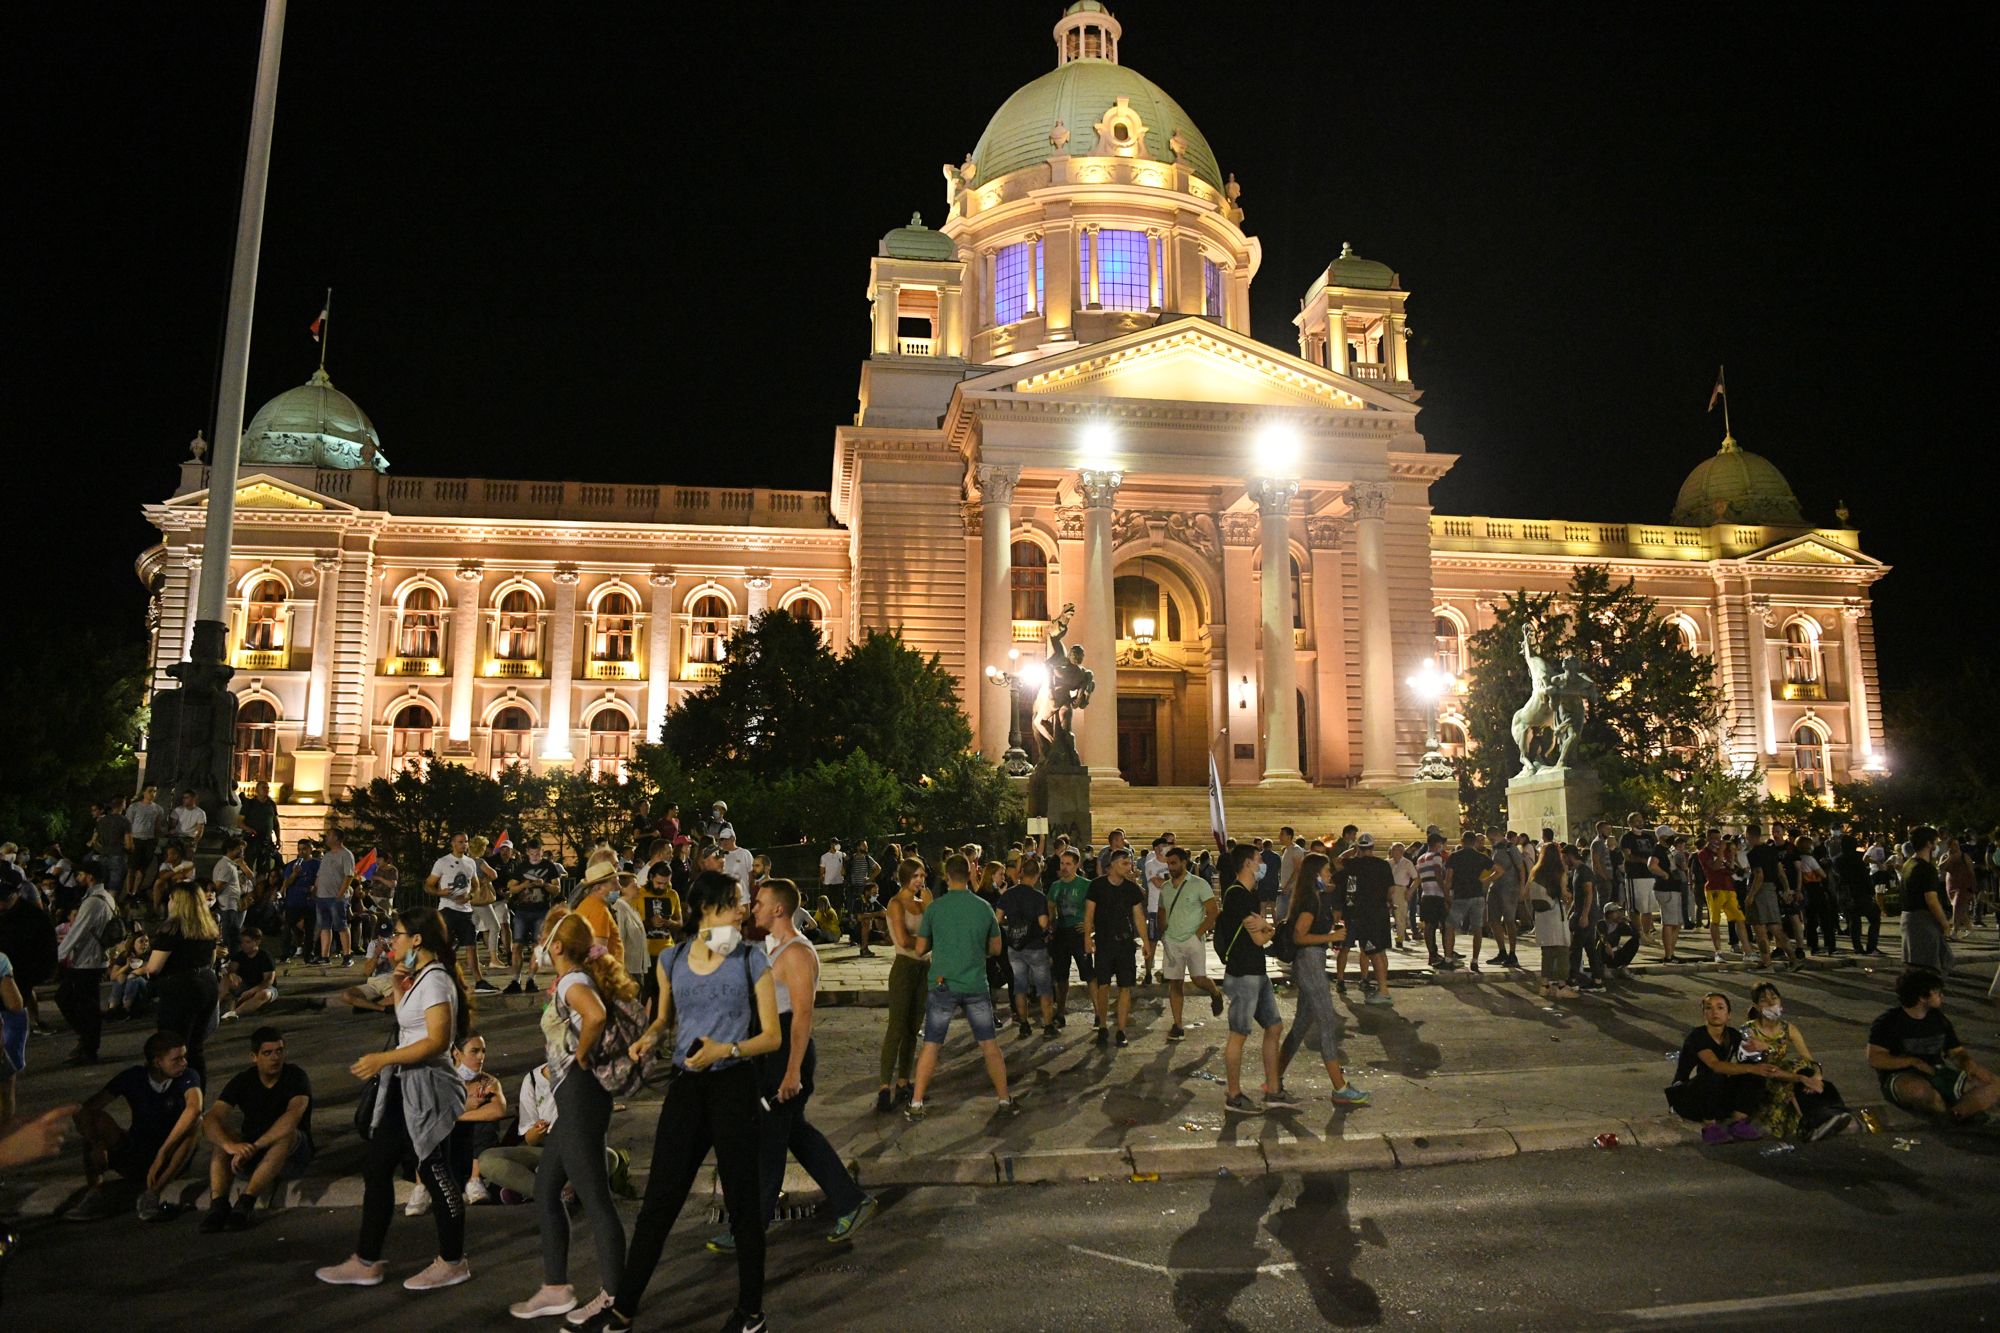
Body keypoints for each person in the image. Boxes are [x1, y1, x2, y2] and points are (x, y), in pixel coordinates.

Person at [610, 870, 782, 1333]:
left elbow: (771, 1036)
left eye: (744, 901)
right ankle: (623, 1309)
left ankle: (750, 1312)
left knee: (743, 1204)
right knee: (659, 1203)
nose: (743, 908)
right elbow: (665, 1018)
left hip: (733, 1085)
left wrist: (726, 1050)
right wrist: (647, 1039)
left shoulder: (750, 958)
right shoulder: (672, 958)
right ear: (707, 907)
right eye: (735, 901)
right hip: (686, 1088)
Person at [709, 880, 877, 1258]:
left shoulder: (798, 953)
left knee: (769, 1141)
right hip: (772, 1050)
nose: (754, 908)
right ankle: (852, 1201)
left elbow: (803, 1016)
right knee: (793, 1133)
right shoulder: (774, 947)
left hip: (787, 1050)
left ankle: (749, 1229)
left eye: (761, 903)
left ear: (779, 910)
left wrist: (793, 1072)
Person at [316, 907, 475, 1292]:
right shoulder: (420, 978)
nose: (393, 941)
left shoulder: (436, 981)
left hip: (427, 1089)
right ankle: (366, 1260)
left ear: (417, 940)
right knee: (378, 1167)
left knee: (436, 1173)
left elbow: (437, 1041)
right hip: (407, 1086)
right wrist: (402, 987)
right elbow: (412, 1023)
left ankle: (453, 1261)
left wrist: (381, 1059)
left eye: (399, 934)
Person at [505, 912, 633, 1324]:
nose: (539, 944)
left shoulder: (574, 981)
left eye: (543, 937)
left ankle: (614, 1299)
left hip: (581, 1098)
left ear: (556, 946)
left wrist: (579, 1059)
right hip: (574, 1101)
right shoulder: (569, 980)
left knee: (596, 1201)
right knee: (545, 1189)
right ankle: (555, 1288)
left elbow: (594, 1015)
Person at [906, 854, 1017, 1119]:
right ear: (970, 875)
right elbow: (996, 948)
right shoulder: (983, 908)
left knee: (932, 1044)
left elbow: (921, 949)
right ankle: (1004, 1099)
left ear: (946, 876)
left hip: (943, 983)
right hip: (975, 983)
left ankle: (917, 1103)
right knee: (989, 1044)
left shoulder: (935, 909)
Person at [69, 1029, 205, 1221]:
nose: (184, 1063)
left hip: (170, 1157)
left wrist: (163, 1152)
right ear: (157, 1062)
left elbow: (194, 1108)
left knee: (197, 1123)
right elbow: (85, 1110)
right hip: (137, 1150)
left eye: (184, 1057)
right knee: (95, 1121)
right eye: (177, 1059)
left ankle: (153, 1193)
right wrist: (97, 1143)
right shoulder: (133, 1077)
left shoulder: (188, 1076)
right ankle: (94, 1193)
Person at [1276, 853, 1370, 1107]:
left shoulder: (1315, 897)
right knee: (1327, 1024)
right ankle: (1339, 1087)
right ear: (1316, 874)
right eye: (1327, 870)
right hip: (1309, 963)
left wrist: (1331, 934)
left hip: (1312, 962)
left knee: (1301, 1025)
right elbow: (1299, 937)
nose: (1330, 874)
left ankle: (1274, 1078)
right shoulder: (1309, 900)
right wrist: (1332, 937)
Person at [199, 1025, 313, 1231]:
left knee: (287, 1134)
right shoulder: (243, 1080)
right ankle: (218, 1205)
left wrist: (256, 1146)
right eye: (267, 1053)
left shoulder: (295, 1076)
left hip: (291, 1156)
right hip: (251, 1156)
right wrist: (231, 1146)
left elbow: (292, 1116)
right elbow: (211, 1119)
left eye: (279, 1051)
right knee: (223, 1139)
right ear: (254, 1057)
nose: (275, 1058)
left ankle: (246, 1202)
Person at [1866, 967, 2000, 1122]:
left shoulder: (1938, 1019)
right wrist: (1913, 1062)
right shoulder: (1889, 1021)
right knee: (1921, 1091)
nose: (1941, 996)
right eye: (1937, 992)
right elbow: (1875, 1058)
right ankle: (1957, 1113)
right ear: (1922, 997)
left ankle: (1956, 1115)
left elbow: (1956, 1052)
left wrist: (1969, 1065)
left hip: (1937, 1072)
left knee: (1994, 1084)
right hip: (1901, 1076)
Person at [1213, 847, 1289, 1114]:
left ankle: (1273, 1088)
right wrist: (1275, 930)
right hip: (1243, 973)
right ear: (1247, 864)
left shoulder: (1248, 895)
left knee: (1274, 1026)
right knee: (1239, 1034)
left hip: (1257, 971)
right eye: (1259, 860)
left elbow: (1260, 929)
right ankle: (1233, 1096)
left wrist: (1265, 928)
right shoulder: (1237, 895)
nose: (1262, 864)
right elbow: (1259, 937)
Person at [1737, 982, 1852, 1140]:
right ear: (1756, 1006)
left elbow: (1809, 1060)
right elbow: (1765, 1069)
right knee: (1797, 1069)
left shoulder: (1788, 1028)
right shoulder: (1748, 1030)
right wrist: (1802, 1078)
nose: (1771, 1003)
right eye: (1764, 1000)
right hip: (1761, 1080)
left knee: (1814, 1076)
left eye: (1774, 998)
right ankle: (1811, 1123)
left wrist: (1815, 1077)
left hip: (1786, 1075)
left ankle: (1835, 1114)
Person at [1664, 993, 1771, 1143]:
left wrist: (1764, 1048)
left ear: (1729, 1015)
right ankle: (1709, 1127)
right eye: (1709, 1008)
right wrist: (1750, 1068)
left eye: (1720, 1008)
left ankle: (1738, 1122)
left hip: (1714, 1096)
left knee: (1755, 1072)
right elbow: (1715, 1065)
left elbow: (1752, 1059)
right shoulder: (1697, 1036)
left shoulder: (1733, 1035)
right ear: (1704, 1014)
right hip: (1688, 1097)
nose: (1715, 1012)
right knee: (1716, 1072)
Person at [143, 883, 222, 1080]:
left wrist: (141, 971)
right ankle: (197, 1096)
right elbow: (211, 960)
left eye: (170, 899)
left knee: (173, 1047)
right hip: (207, 984)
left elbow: (153, 968)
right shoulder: (208, 926)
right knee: (195, 1047)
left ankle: (177, 1097)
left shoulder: (172, 928)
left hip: (181, 989)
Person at [874, 857, 932, 1112]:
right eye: (916, 876)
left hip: (924, 968)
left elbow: (935, 930)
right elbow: (903, 939)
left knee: (913, 1027)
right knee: (896, 1027)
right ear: (905, 877)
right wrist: (927, 940)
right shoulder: (896, 903)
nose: (920, 881)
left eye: (922, 876)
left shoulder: (923, 902)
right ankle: (884, 1087)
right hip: (905, 967)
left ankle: (903, 1081)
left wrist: (930, 910)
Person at [1156, 846, 1223, 1040]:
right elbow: (1161, 909)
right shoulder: (1166, 887)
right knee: (1175, 983)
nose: (1170, 867)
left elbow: (1213, 911)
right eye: (1168, 864)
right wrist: (1163, 930)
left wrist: (1198, 933)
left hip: (1193, 939)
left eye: (1174, 863)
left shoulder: (1199, 884)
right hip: (1172, 941)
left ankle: (1214, 992)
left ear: (1184, 862)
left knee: (1198, 979)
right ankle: (1177, 1025)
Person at [55, 866, 119, 1065]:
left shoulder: (93, 902)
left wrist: (58, 955)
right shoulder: (104, 897)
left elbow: (77, 931)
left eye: (81, 874)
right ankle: (86, 1042)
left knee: (79, 1003)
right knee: (81, 1003)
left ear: (90, 876)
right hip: (93, 959)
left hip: (88, 961)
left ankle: (88, 1045)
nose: (78, 878)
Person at [1084, 848, 1147, 1048]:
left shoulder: (1131, 889)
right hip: (1104, 942)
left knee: (1125, 987)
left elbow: (1138, 916)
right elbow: (1089, 914)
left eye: (1130, 864)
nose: (1129, 868)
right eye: (1125, 863)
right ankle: (1102, 1025)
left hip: (1125, 942)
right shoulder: (1097, 886)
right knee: (1103, 985)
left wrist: (1146, 941)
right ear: (1113, 865)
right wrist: (1087, 937)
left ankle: (1120, 1029)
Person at [427, 832, 500, 996]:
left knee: (471, 946)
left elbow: (475, 885)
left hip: (466, 911)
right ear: (453, 843)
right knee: (444, 947)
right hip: (447, 909)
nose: (464, 845)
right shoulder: (442, 862)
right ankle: (439, 981)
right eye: (460, 842)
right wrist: (440, 892)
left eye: (466, 842)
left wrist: (471, 896)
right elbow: (428, 885)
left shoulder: (470, 863)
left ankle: (479, 981)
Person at [998, 855, 1057, 1038]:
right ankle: (1048, 1026)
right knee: (1044, 988)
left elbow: (998, 919)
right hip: (1035, 946)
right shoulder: (1038, 897)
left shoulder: (1008, 894)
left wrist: (1012, 923)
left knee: (1020, 986)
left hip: (1015, 947)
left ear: (1021, 873)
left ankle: (1024, 1024)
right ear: (1037, 875)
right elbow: (1042, 923)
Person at [1341, 834, 1396, 1005]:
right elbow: (1391, 889)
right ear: (1373, 847)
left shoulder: (1354, 864)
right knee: (1381, 950)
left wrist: (1352, 851)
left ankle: (1384, 991)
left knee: (1373, 952)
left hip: (1365, 914)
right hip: (1380, 912)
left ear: (1359, 848)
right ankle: (1383, 987)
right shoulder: (1383, 865)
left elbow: (1338, 860)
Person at [502, 840, 562, 992]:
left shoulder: (549, 867)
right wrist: (524, 885)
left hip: (541, 911)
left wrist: (544, 885)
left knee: (537, 947)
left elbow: (557, 890)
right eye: (532, 853)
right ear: (527, 852)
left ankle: (530, 980)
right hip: (522, 911)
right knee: (517, 946)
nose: (535, 856)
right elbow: (512, 888)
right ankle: (515, 980)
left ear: (542, 852)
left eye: (538, 853)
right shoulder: (521, 867)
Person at [1046, 848, 1093, 1028]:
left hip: (1078, 932)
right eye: (1062, 863)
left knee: (1088, 974)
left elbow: (1095, 908)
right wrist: (1050, 924)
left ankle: (1098, 1014)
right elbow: (1050, 905)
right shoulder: (1055, 886)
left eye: (1068, 864)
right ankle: (1060, 1011)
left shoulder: (1085, 885)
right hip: (1061, 933)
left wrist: (1091, 927)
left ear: (1076, 865)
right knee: (1061, 976)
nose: (1064, 867)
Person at [1743, 825, 1800, 971]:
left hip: (1759, 892)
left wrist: (1750, 896)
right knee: (1776, 928)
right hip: (1771, 890)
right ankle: (1794, 959)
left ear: (1750, 835)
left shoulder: (1753, 853)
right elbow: (1780, 871)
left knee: (1760, 930)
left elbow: (1759, 875)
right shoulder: (1771, 850)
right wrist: (1786, 888)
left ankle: (1766, 961)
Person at [1899, 827, 1953, 973]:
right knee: (1931, 967)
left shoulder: (1908, 864)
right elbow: (1931, 900)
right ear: (1929, 843)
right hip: (1923, 921)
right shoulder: (1926, 869)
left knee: (1915, 966)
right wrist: (1944, 923)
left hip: (1907, 919)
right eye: (1935, 840)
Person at [1528, 842, 1575, 1000]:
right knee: (1561, 949)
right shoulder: (1559, 871)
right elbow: (1563, 894)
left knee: (1546, 951)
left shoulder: (1536, 871)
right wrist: (1569, 896)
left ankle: (1544, 985)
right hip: (1554, 913)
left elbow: (1527, 893)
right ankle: (1562, 985)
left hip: (1541, 916)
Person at [1444, 832, 1495, 973]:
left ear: (1462, 841)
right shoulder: (1481, 857)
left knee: (1450, 927)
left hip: (1461, 895)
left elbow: (1448, 878)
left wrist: (1446, 895)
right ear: (1474, 842)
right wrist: (1486, 880)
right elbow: (1499, 870)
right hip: (1477, 895)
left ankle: (1448, 958)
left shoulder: (1454, 856)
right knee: (1477, 928)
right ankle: (1475, 960)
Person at [1699, 828, 1747, 962]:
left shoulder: (1725, 851)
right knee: (1715, 920)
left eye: (1719, 838)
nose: (1717, 841)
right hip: (1714, 888)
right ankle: (1718, 952)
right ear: (1708, 839)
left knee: (1740, 918)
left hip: (1729, 887)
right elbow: (1714, 867)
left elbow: (1731, 869)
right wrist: (1720, 851)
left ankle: (1747, 951)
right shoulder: (1703, 853)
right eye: (1714, 838)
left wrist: (1732, 856)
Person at [313, 828, 358, 966]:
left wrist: (340, 894)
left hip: (336, 896)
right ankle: (324, 956)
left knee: (341, 926)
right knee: (324, 926)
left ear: (337, 838)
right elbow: (320, 874)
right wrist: (316, 888)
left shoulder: (346, 855)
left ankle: (347, 954)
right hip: (322, 896)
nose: (327, 838)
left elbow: (349, 875)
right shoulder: (327, 855)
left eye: (329, 835)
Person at [218, 925, 279, 1022]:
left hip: (263, 987)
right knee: (226, 979)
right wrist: (231, 974)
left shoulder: (265, 957)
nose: (243, 945)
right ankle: (215, 1007)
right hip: (245, 985)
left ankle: (234, 1013)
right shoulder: (239, 955)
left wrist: (251, 991)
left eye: (248, 942)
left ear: (257, 942)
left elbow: (268, 981)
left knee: (264, 994)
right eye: (242, 942)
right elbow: (231, 969)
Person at [1486, 830, 1528, 968]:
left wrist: (1522, 887)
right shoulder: (1495, 849)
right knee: (1493, 919)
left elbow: (1521, 868)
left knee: (1509, 920)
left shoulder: (1510, 848)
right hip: (1496, 887)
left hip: (1510, 888)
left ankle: (1512, 953)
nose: (1491, 841)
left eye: (1492, 838)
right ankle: (1502, 951)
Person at [212, 837, 250, 952]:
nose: (242, 852)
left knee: (233, 933)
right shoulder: (226, 866)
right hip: (227, 905)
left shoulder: (231, 865)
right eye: (239, 849)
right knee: (231, 935)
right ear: (230, 849)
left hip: (231, 904)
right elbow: (219, 886)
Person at [127, 785, 165, 884]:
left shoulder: (158, 809)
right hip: (136, 839)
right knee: (132, 868)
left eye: (155, 791)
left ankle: (136, 891)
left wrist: (156, 842)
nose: (153, 794)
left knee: (143, 869)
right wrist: (129, 841)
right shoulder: (134, 807)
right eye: (150, 791)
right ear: (144, 792)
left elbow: (157, 827)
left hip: (150, 840)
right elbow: (128, 825)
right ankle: (129, 891)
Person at [716, 825, 755, 907]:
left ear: (733, 838)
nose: (724, 841)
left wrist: (749, 894)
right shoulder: (718, 856)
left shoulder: (745, 853)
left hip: (743, 898)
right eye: (722, 839)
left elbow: (751, 876)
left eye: (727, 838)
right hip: (726, 899)